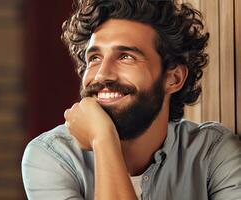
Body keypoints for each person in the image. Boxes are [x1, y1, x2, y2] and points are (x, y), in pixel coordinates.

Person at [21, 0, 241, 199]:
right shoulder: (53, 156)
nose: (102, 74)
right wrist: (103, 138)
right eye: (95, 58)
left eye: (126, 57)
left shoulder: (213, 153)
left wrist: (102, 139)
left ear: (173, 78)